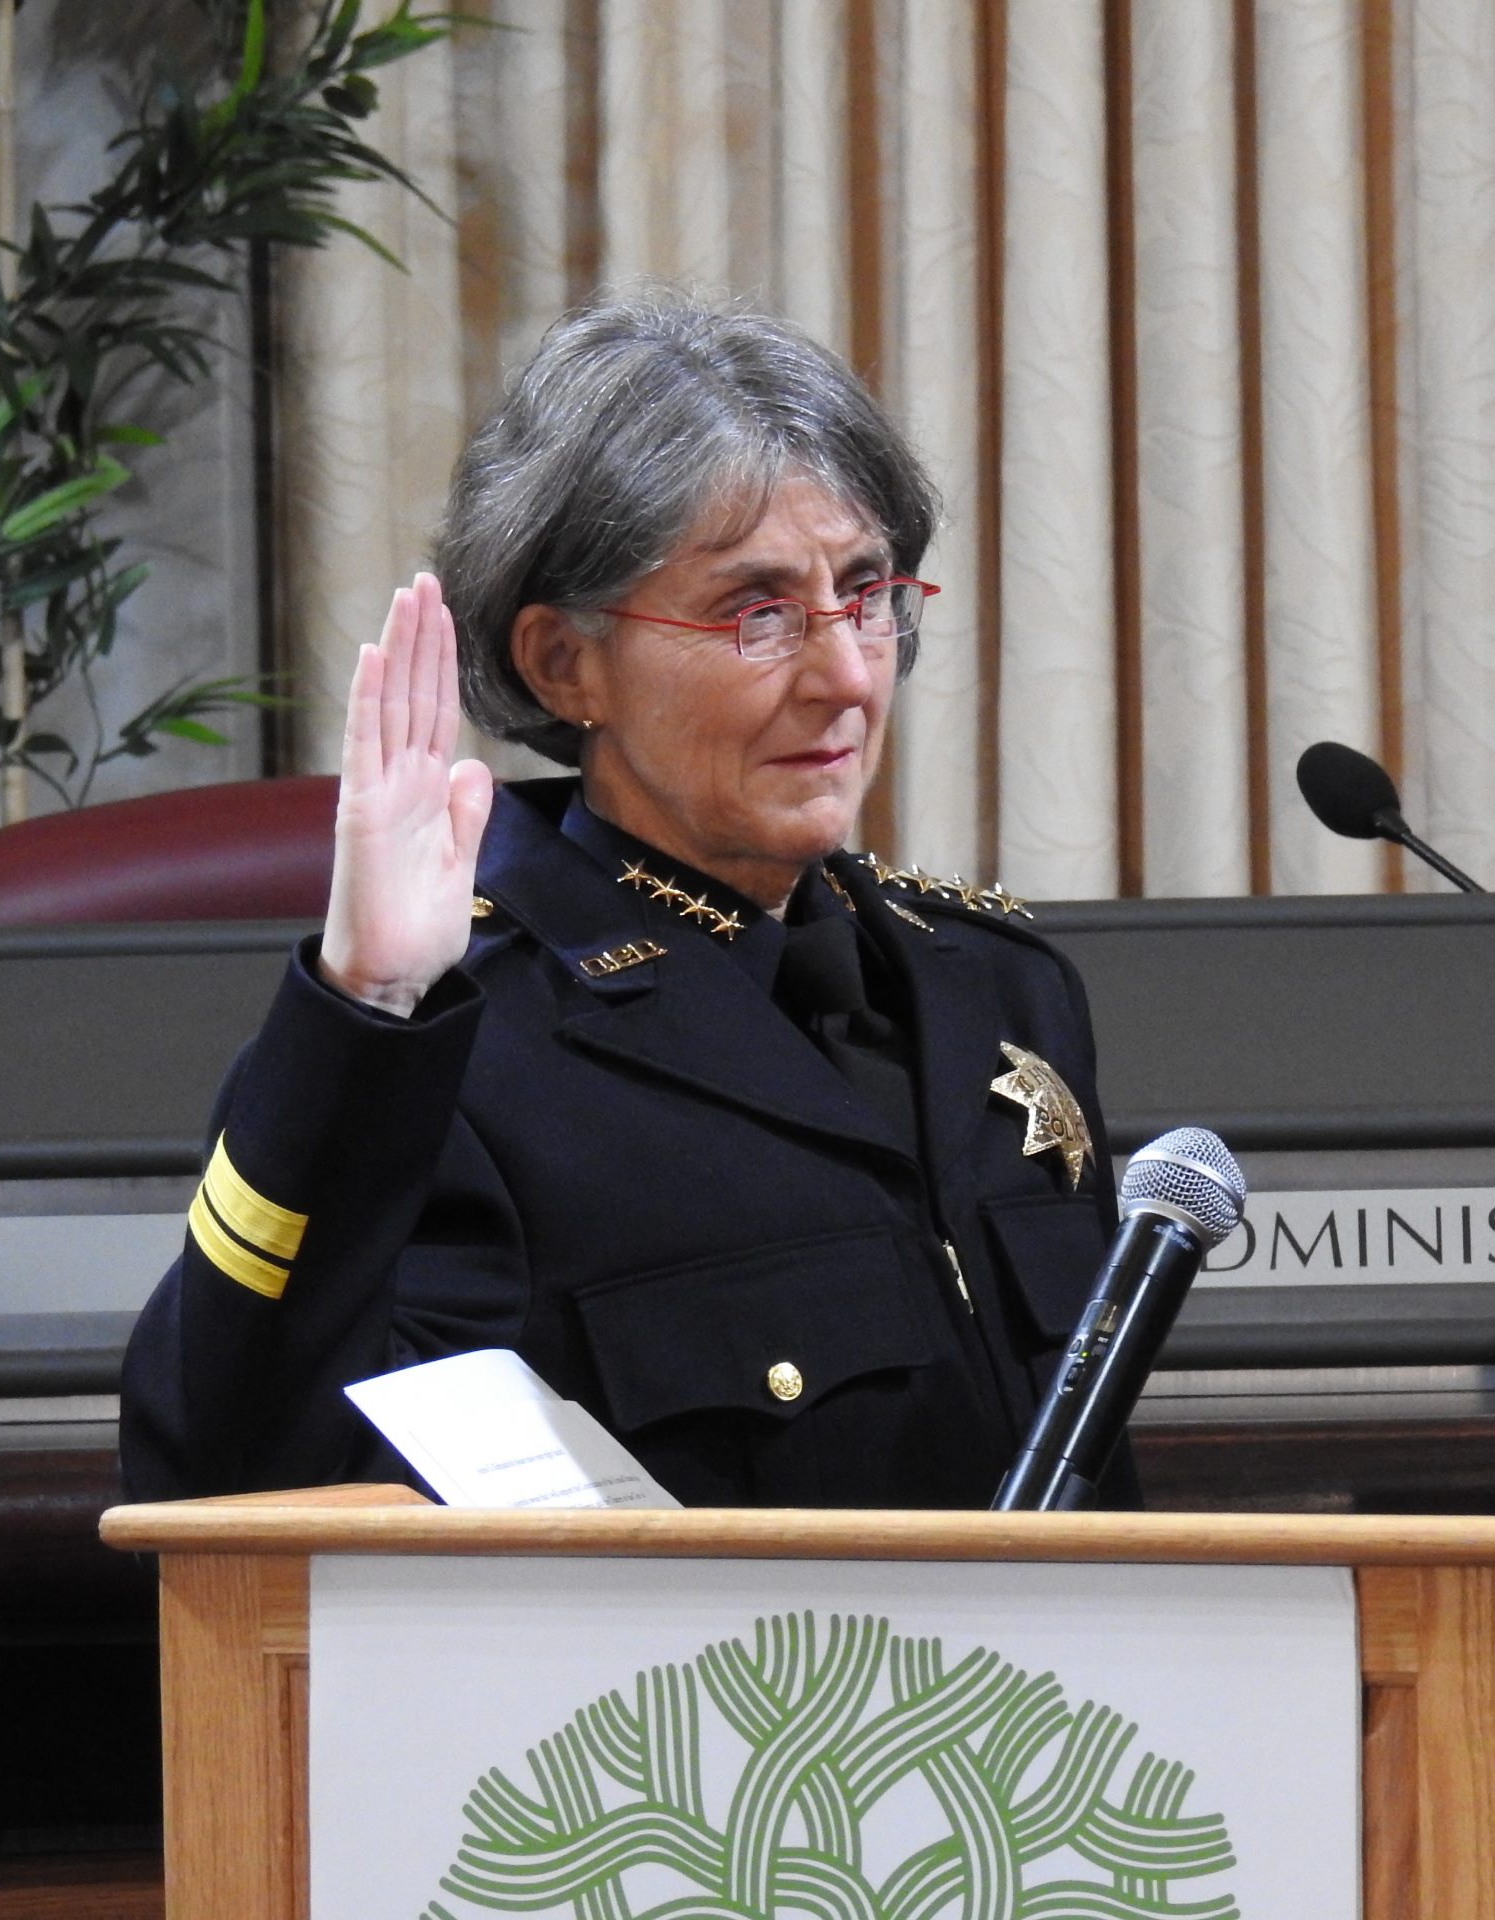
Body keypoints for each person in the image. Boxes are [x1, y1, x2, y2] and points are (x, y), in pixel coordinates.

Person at [121, 292, 1122, 1510]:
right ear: (565, 661)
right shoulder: (456, 1042)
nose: (847, 674)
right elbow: (220, 1462)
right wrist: (364, 1008)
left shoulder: (996, 988)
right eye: (757, 614)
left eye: (865, 592)